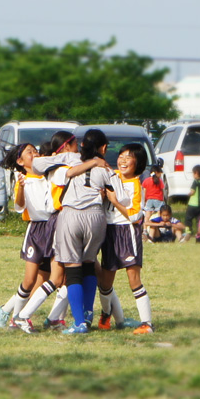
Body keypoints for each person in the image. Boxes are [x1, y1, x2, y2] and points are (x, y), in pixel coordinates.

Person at [52, 129, 128, 334]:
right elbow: (123, 197)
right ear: (103, 148)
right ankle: (87, 313)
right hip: (96, 216)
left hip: (71, 214)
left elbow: (57, 179)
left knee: (72, 268)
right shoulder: (105, 169)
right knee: (88, 264)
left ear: (82, 146)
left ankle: (79, 323)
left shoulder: (71, 164)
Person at [0, 142, 55, 333]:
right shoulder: (23, 180)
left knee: (42, 280)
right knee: (29, 280)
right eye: (30, 152)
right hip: (36, 231)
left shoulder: (48, 176)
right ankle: (12, 315)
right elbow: (19, 206)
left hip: (53, 228)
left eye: (35, 151)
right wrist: (20, 188)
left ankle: (13, 314)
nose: (35, 154)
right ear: (20, 161)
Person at [99, 144, 154, 334]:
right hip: (109, 231)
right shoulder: (111, 176)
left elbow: (134, 216)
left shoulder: (136, 185)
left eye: (128, 157)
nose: (122, 160)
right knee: (106, 281)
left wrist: (114, 201)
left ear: (137, 163)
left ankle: (147, 323)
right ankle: (105, 316)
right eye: (121, 156)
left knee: (134, 279)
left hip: (127, 232)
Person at [182, 165, 200, 242]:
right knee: (199, 220)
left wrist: (187, 195)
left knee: (188, 218)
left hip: (193, 204)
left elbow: (192, 192)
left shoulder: (195, 182)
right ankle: (199, 233)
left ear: (196, 173)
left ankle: (188, 232)